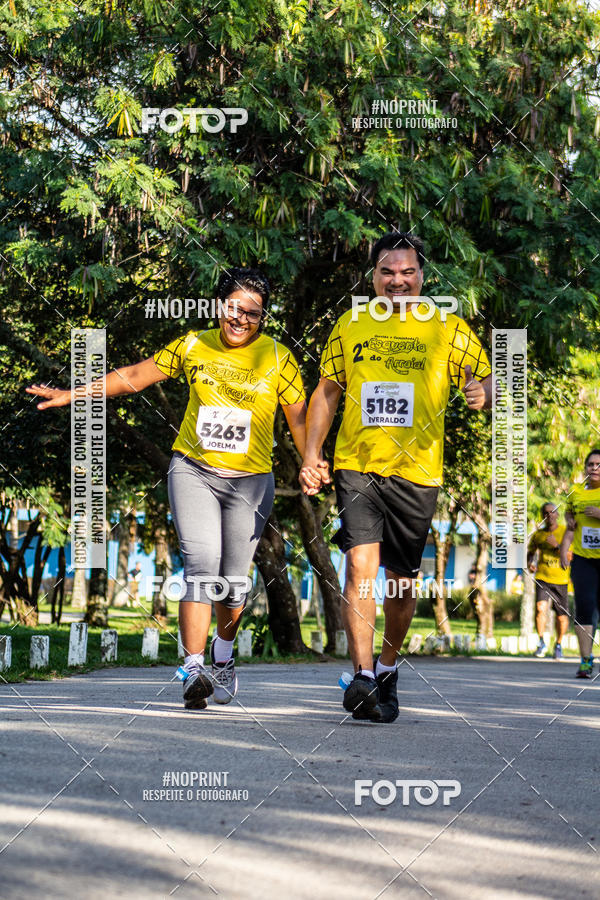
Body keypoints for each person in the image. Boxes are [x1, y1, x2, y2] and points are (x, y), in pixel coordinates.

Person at [27, 267, 323, 709]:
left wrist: (310, 460)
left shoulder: (279, 357)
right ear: (218, 306)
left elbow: (298, 417)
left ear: (263, 317)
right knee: (201, 566)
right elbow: (133, 375)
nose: (241, 319)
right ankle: (193, 669)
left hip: (251, 480)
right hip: (193, 470)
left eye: (253, 313)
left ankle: (223, 656)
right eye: (233, 309)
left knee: (233, 583)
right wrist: (73, 394)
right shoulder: (192, 344)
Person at [299, 231, 492, 723]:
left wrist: (482, 392)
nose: (397, 281)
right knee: (360, 567)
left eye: (407, 272)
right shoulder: (350, 324)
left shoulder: (447, 327)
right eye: (387, 272)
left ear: (422, 276)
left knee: (402, 583)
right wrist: (313, 452)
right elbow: (327, 392)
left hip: (418, 470)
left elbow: (491, 376)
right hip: (357, 463)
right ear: (374, 277)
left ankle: (387, 668)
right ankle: (362, 676)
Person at [560, 449, 600, 678]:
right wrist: (564, 550)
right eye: (590, 464)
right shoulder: (575, 493)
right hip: (584, 560)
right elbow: (570, 523)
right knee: (584, 606)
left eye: (598, 464)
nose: (594, 468)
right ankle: (586, 661)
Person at [527, 503, 570, 659]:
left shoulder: (566, 532)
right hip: (542, 578)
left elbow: (571, 556)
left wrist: (557, 546)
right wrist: (529, 563)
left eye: (552, 512)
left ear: (557, 515)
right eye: (546, 513)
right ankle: (541, 642)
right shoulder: (538, 535)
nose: (549, 515)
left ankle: (558, 645)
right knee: (540, 608)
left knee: (562, 617)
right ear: (542, 515)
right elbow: (530, 553)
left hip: (561, 579)